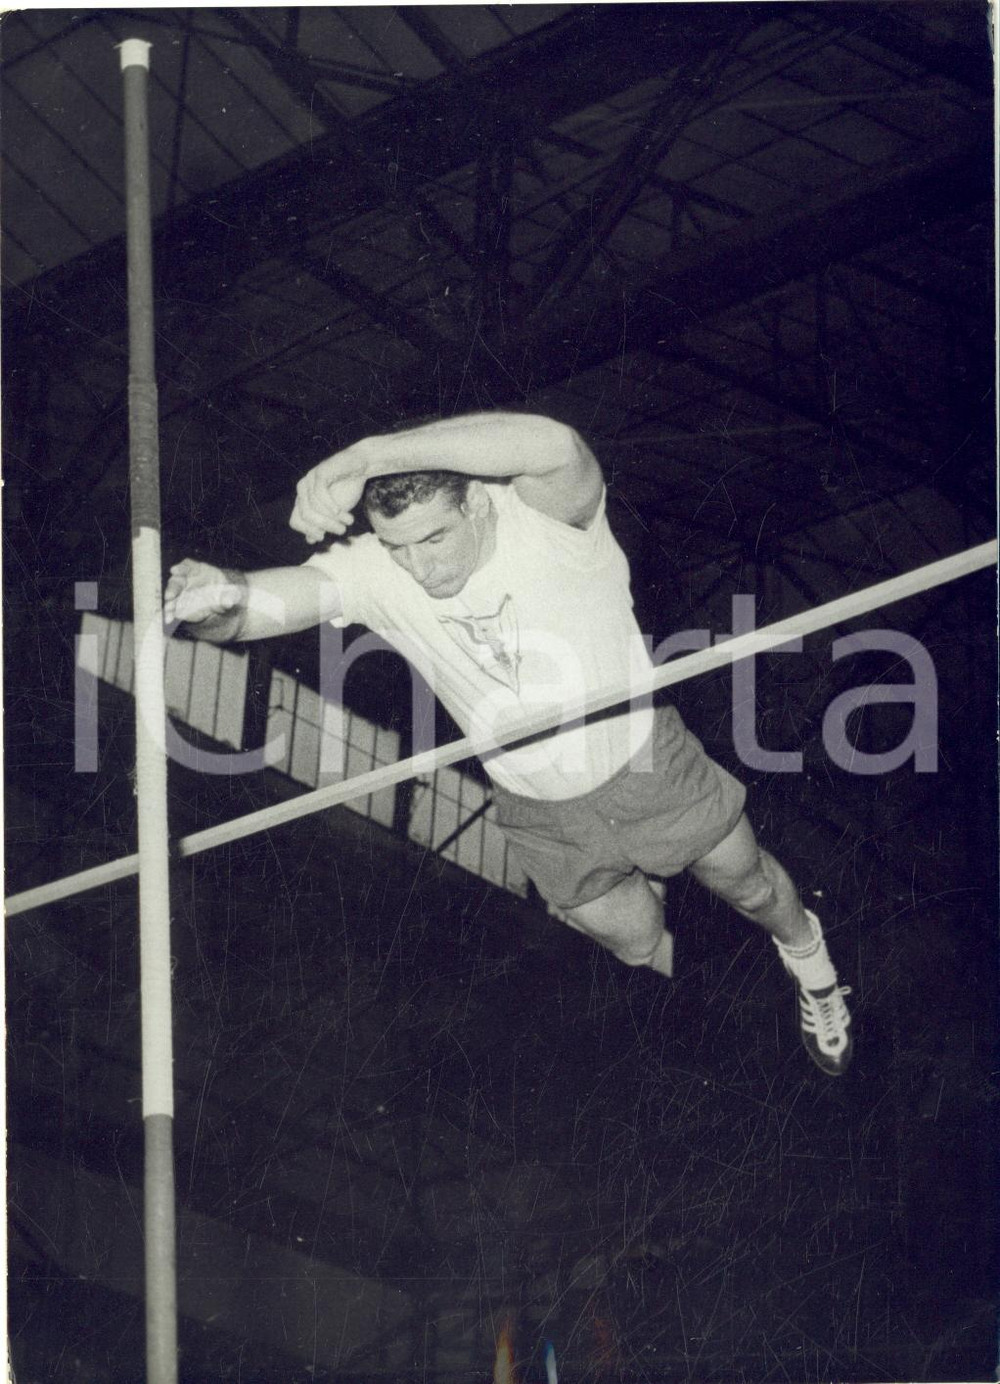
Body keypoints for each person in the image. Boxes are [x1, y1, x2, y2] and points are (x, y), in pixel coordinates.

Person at [165, 411, 853, 1075]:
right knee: (639, 943)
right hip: (538, 808)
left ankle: (811, 964)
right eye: (399, 547)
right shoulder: (376, 569)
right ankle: (647, 880)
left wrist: (367, 456)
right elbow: (256, 609)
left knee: (752, 890)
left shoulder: (551, 519)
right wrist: (217, 601)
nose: (420, 569)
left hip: (643, 763)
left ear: (480, 505)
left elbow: (552, 442)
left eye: (434, 540)